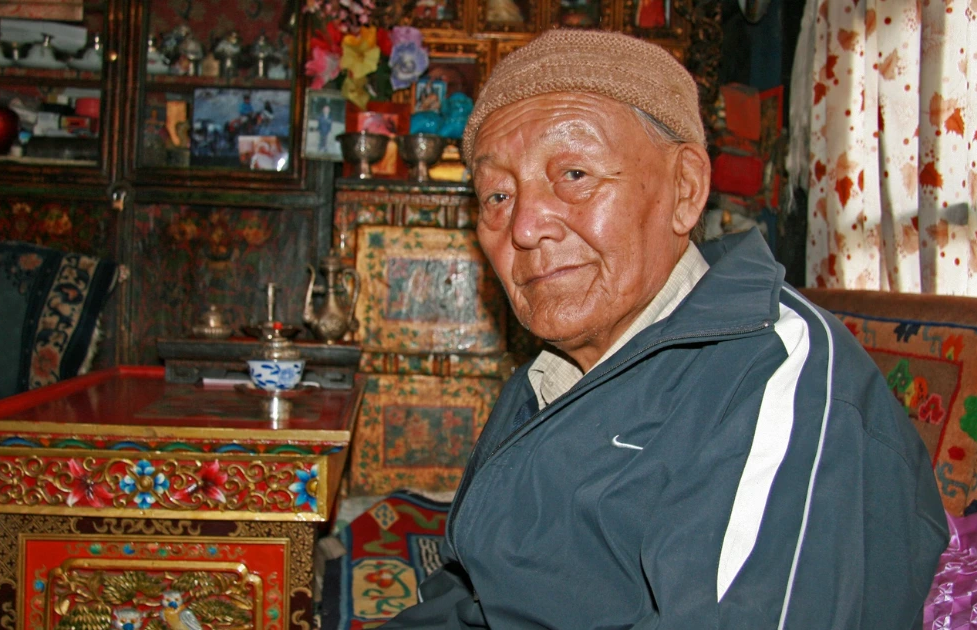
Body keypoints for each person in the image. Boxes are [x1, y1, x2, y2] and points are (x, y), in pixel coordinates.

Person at [379, 29, 948, 629]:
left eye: (574, 174)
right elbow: (473, 595)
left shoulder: (772, 378)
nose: (524, 226)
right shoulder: (548, 379)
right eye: (496, 194)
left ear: (685, 190)